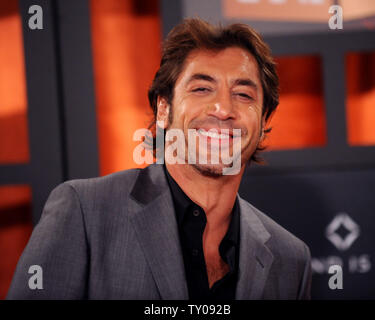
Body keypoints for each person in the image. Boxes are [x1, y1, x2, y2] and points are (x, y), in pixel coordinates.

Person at [7, 18, 311, 300]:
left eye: (244, 95)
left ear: (262, 122)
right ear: (164, 109)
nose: (222, 108)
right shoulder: (85, 213)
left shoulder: (291, 260)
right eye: (202, 88)